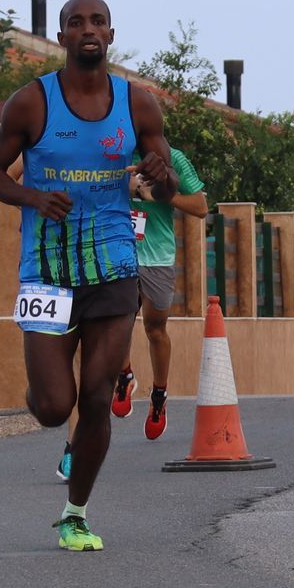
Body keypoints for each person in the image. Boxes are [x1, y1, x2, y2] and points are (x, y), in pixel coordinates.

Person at [0, 0, 177, 552]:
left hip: (114, 268)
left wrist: (160, 174)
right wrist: (33, 197)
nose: (88, 29)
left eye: (98, 21)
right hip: (47, 270)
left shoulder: (138, 105)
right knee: (52, 408)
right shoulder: (31, 102)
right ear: (62, 35)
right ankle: (42, 390)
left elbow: (168, 189)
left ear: (111, 34)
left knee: (95, 397)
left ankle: (75, 513)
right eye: (76, 22)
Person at [124, 147, 208, 439]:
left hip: (157, 257)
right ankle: (124, 376)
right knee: (116, 320)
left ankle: (159, 395)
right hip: (118, 251)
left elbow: (200, 207)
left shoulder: (174, 158)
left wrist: (159, 195)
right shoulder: (113, 149)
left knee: (155, 329)